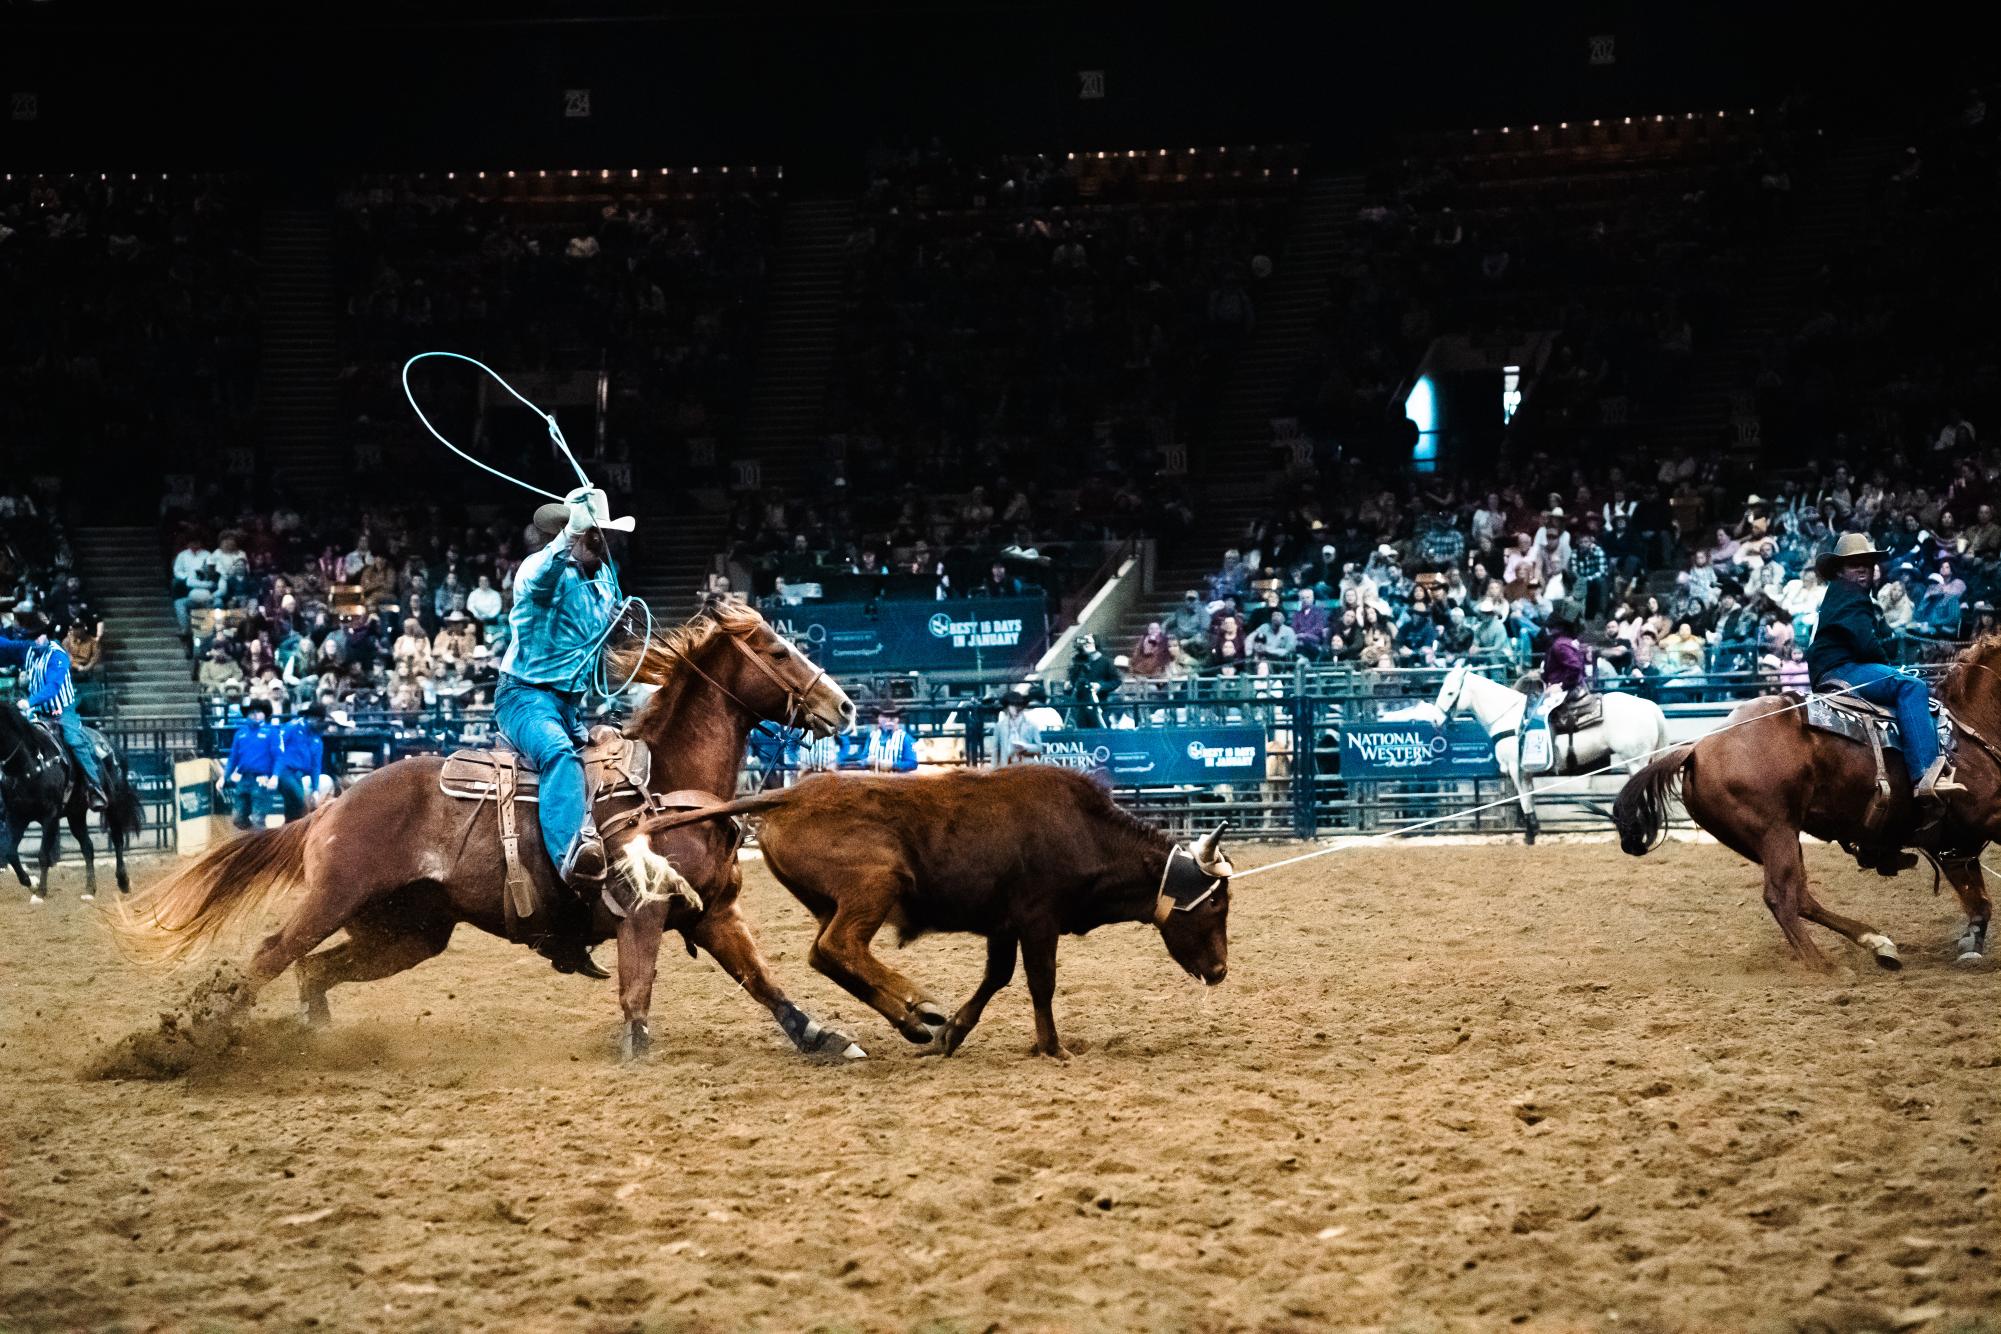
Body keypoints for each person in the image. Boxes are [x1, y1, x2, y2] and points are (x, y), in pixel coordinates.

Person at [494, 487, 634, 911]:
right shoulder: (541, 571)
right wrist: (567, 538)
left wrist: (618, 626)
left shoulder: (605, 580)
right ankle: (570, 859)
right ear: (580, 535)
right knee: (558, 754)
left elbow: (601, 635)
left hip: (568, 705)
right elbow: (537, 580)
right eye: (601, 534)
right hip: (524, 698)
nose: (612, 542)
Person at [1808, 532, 1963, 803]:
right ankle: (1926, 774)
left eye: (1867, 564)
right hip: (1843, 669)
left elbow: (1877, 636)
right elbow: (1866, 644)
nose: (1863, 570)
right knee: (1910, 686)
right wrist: (1894, 669)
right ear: (1840, 570)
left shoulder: (1843, 595)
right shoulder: (1850, 593)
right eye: (1855, 564)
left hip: (1834, 668)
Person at [0, 604, 107, 808]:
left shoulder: (58, 655)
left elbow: (53, 686)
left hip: (62, 710)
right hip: (38, 712)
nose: (34, 640)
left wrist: (29, 701)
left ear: (46, 635)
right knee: (12, 739)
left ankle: (95, 786)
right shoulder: (29, 648)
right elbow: (6, 647)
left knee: (73, 740)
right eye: (31, 636)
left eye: (37, 635)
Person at [222, 697, 281, 829]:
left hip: (262, 779)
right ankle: (254, 840)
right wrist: (224, 777)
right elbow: (233, 758)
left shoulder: (271, 732)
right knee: (237, 818)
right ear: (247, 715)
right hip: (244, 778)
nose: (255, 715)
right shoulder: (240, 734)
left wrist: (275, 776)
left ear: (264, 714)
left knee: (258, 818)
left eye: (259, 711)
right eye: (252, 712)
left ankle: (259, 844)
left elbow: (278, 756)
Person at [272, 703, 326, 821]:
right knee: (301, 801)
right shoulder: (292, 727)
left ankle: (287, 833)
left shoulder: (317, 740)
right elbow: (277, 746)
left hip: (298, 774)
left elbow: (315, 766)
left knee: (293, 808)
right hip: (284, 770)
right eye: (316, 718)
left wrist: (315, 789)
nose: (318, 722)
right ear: (310, 717)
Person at [851, 703, 919, 772]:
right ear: (879, 719)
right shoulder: (872, 736)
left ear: (897, 719)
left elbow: (913, 763)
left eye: (893, 716)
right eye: (885, 716)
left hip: (897, 780)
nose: (889, 719)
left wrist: (893, 765)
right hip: (873, 780)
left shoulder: (905, 738)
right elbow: (863, 757)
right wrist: (866, 761)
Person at [991, 688, 1044, 767]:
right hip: (1006, 766)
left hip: (1026, 766)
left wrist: (1026, 747)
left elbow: (1039, 747)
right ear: (1007, 707)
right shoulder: (1000, 726)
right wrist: (993, 770)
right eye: (1012, 705)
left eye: (1018, 705)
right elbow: (995, 750)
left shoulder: (1031, 725)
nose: (1016, 708)